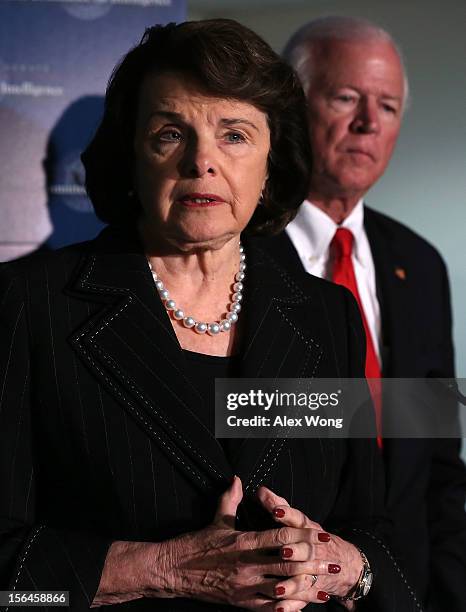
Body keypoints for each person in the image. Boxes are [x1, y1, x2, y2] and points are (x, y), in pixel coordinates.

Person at [0, 20, 421, 612]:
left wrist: (345, 566)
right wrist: (162, 569)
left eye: (235, 135)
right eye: (171, 133)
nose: (203, 161)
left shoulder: (328, 317)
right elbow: (9, 583)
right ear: (131, 155)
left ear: (271, 161)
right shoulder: (28, 304)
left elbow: (371, 526)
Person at [259, 16, 466, 611]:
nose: (367, 124)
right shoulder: (231, 251)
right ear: (289, 106)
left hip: (404, 591)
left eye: (389, 107)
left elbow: (437, 460)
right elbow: (235, 418)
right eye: (346, 98)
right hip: (280, 589)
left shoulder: (420, 265)